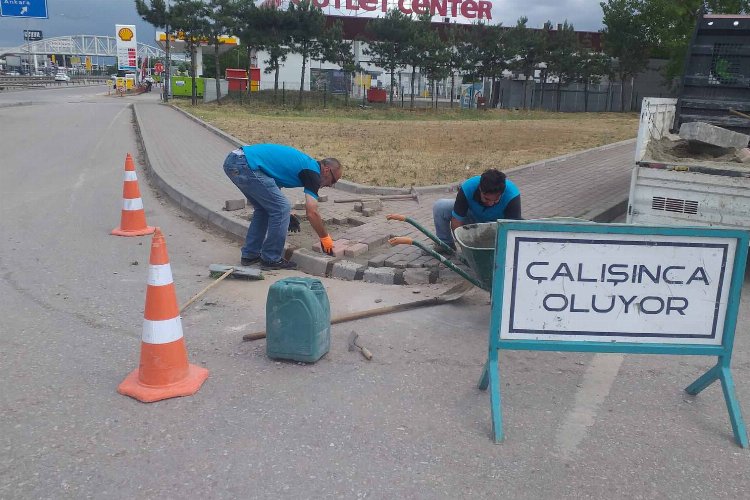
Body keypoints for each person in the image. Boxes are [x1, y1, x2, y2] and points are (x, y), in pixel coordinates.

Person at [223, 144, 343, 270]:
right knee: (282, 208)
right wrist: (325, 238)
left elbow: (272, 191)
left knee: (264, 209)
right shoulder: (313, 173)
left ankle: (250, 255)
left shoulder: (306, 165)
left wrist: (288, 216)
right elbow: (312, 212)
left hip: (237, 161)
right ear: (326, 170)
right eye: (333, 180)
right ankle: (270, 258)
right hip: (245, 164)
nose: (331, 185)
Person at [432, 168, 521, 252]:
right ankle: (445, 244)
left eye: (496, 200)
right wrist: (466, 249)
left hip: (497, 225)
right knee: (441, 206)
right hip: (473, 217)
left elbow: (512, 229)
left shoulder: (512, 194)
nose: (490, 203)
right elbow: (456, 221)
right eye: (486, 199)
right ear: (480, 189)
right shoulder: (468, 186)